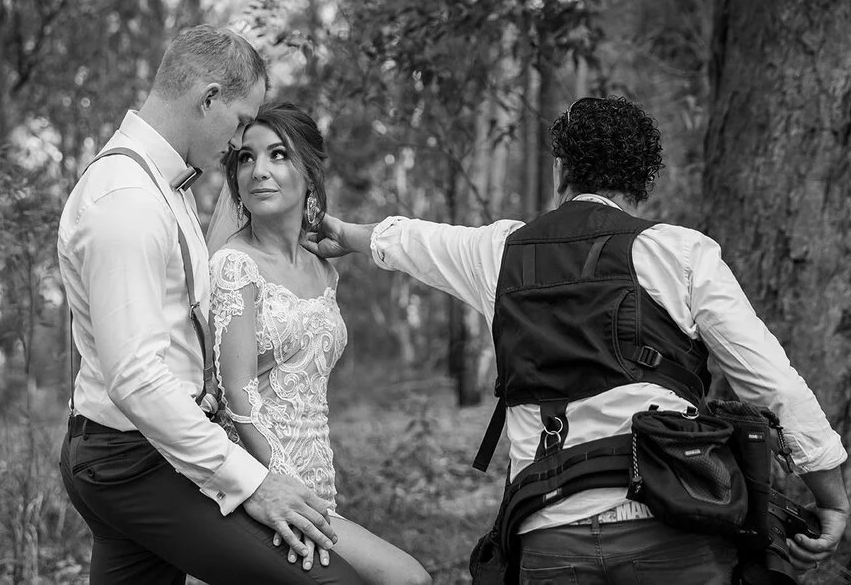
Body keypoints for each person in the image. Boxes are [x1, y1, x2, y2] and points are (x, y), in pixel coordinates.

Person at [304, 96, 849, 584]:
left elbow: (416, 243)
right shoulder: (679, 253)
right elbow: (773, 382)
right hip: (673, 521)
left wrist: (342, 234)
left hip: (549, 531)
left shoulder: (506, 252)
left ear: (561, 169)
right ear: (646, 181)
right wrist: (831, 498)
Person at [56, 25, 366, 584]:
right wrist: (251, 480)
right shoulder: (126, 201)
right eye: (243, 121)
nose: (239, 141)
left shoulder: (160, 186)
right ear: (209, 98)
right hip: (137, 460)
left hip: (133, 451)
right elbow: (136, 377)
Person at [205, 101, 431, 585]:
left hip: (318, 481)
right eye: (246, 158)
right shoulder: (233, 265)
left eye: (278, 155)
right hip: (263, 484)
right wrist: (281, 486)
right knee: (406, 579)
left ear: (308, 170)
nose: (258, 171)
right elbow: (238, 396)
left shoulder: (324, 269)